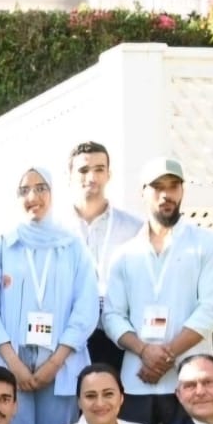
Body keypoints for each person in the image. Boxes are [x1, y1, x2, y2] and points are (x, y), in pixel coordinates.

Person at [0, 164, 98, 424]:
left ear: (53, 193)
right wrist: (14, 364)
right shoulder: (0, 246)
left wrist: (54, 363)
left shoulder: (73, 247)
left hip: (61, 364)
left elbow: (86, 309)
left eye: (41, 188)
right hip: (10, 363)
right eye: (24, 190)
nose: (32, 197)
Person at [104, 157, 213, 424]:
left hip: (191, 381)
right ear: (143, 192)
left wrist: (166, 355)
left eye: (173, 186)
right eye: (158, 187)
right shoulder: (124, 254)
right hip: (137, 381)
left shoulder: (209, 244)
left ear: (182, 191)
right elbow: (112, 315)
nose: (166, 194)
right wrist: (144, 351)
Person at [65, 142, 144, 371]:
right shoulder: (56, 231)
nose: (92, 177)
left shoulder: (135, 228)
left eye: (99, 169)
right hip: (69, 337)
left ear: (109, 174)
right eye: (83, 170)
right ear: (70, 175)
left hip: (118, 338)